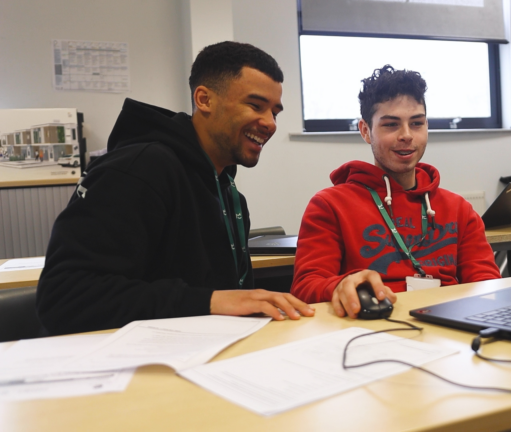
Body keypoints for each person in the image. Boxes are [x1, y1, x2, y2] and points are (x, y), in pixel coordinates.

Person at [37, 41, 314, 336]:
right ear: (204, 99)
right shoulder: (139, 170)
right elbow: (64, 297)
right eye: (255, 106)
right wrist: (209, 301)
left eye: (275, 112)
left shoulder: (227, 191)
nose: (270, 123)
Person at [290, 65, 500, 319]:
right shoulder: (329, 205)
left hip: (450, 324)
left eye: (417, 123)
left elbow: (488, 283)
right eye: (391, 125)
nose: (407, 135)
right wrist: (340, 285)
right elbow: (305, 287)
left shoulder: (459, 209)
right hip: (372, 326)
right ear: (365, 131)